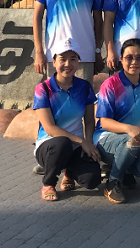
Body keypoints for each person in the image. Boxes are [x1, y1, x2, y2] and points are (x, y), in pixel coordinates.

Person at [31, 0, 104, 176]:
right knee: (53, 106)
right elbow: (37, 16)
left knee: (84, 107)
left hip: (84, 54)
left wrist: (97, 50)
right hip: (56, 55)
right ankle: (48, 154)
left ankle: (83, 150)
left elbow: (98, 19)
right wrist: (39, 51)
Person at [32, 38, 102, 201]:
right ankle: (49, 183)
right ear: (54, 61)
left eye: (73, 59)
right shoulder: (43, 89)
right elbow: (50, 128)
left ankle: (69, 172)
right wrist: (82, 141)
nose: (68, 64)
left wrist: (88, 142)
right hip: (50, 146)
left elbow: (89, 121)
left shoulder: (85, 87)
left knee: (92, 180)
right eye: (62, 59)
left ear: (78, 62)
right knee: (62, 143)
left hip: (76, 146)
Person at [94, 38, 140, 204]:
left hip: (137, 140)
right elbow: (104, 122)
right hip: (106, 137)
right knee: (132, 142)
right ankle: (113, 182)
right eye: (129, 57)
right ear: (121, 59)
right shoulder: (110, 84)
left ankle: (123, 169)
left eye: (139, 58)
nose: (134, 62)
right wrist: (129, 129)